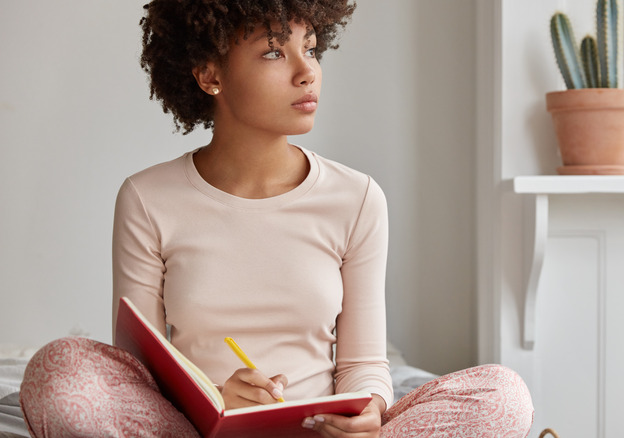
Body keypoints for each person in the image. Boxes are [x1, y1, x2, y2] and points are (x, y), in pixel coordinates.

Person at [19, 1, 534, 437]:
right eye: (273, 51)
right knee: (57, 372)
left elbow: (362, 363)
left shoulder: (357, 198)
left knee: (503, 396)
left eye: (309, 47)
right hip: (198, 427)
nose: (306, 70)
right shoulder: (146, 198)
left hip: (321, 431)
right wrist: (217, 397)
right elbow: (142, 371)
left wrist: (369, 411)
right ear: (209, 74)